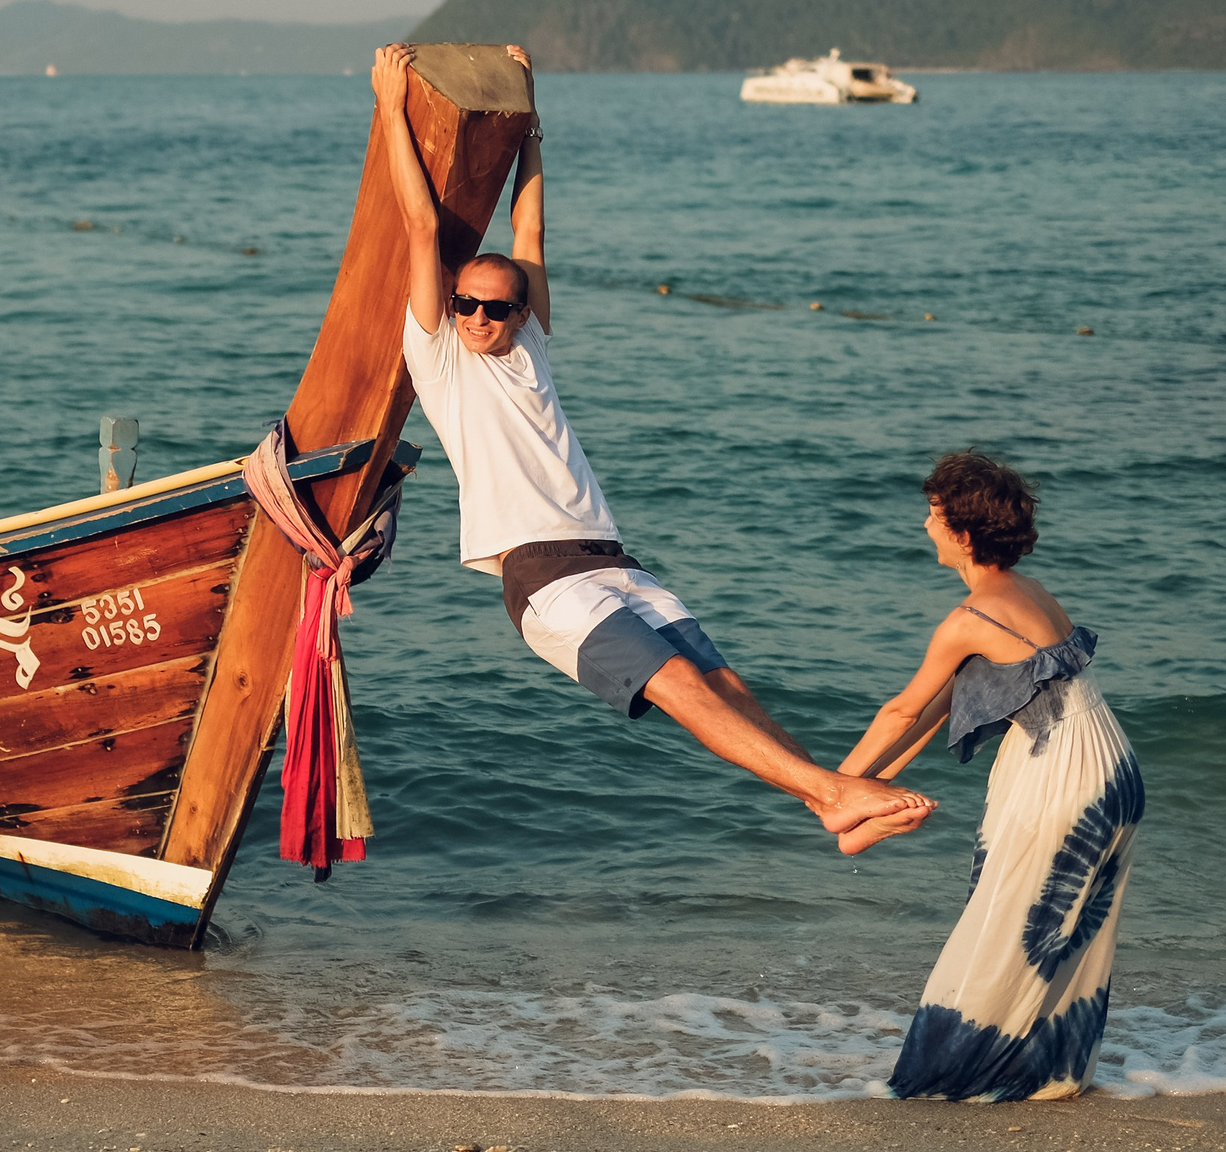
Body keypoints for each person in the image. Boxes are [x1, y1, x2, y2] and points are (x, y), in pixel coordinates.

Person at [376, 42, 934, 851]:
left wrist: (530, 121)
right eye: (466, 304)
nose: (478, 318)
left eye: (495, 308)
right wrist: (390, 105)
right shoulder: (439, 355)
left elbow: (530, 226)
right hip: (541, 576)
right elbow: (422, 224)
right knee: (676, 685)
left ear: (523, 313)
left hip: (612, 557)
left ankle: (827, 809)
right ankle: (833, 791)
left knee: (725, 683)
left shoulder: (531, 346)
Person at [835, 450, 1143, 1101]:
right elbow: (945, 706)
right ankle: (1044, 1076)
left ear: (964, 533)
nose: (925, 525)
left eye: (934, 514)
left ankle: (955, 1079)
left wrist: (828, 787)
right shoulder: (1030, 593)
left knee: (1003, 933)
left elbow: (902, 710)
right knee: (1055, 937)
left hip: (1060, 777)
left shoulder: (970, 619)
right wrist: (861, 788)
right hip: (1110, 768)